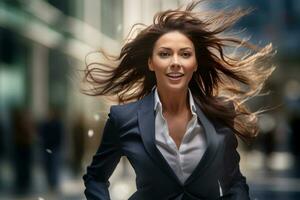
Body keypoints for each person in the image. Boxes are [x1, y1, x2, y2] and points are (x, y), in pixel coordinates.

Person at [82, 1, 275, 199]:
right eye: (165, 54)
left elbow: (234, 182)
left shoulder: (219, 113)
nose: (175, 62)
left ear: (195, 63)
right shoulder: (123, 118)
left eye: (185, 54)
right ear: (151, 62)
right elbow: (96, 177)